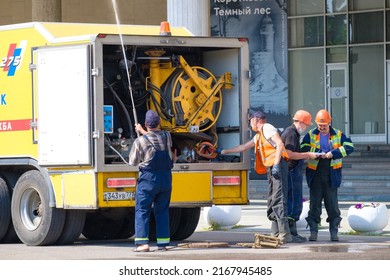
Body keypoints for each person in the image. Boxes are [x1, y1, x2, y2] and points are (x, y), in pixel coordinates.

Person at [221, 111, 299, 243]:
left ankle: (284, 234)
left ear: (256, 120)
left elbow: (280, 144)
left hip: (277, 166)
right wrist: (224, 151)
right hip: (273, 167)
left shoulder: (267, 128)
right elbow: (244, 146)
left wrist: (275, 165)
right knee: (273, 199)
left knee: (278, 198)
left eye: (251, 120)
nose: (250, 123)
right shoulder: (259, 135)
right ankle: (275, 232)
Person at [300, 109, 354, 241]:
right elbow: (303, 147)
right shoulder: (311, 134)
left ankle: (334, 232)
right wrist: (318, 153)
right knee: (314, 204)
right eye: (320, 125)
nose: (322, 128)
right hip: (315, 173)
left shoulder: (338, 134)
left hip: (332, 173)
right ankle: (313, 231)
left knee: (332, 205)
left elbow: (349, 146)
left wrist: (334, 153)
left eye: (324, 125)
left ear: (329, 123)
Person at [129, 110, 174, 252]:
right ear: (159, 123)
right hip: (166, 179)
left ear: (146, 124)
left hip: (148, 180)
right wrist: (143, 131)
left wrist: (140, 132)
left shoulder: (140, 141)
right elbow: (157, 138)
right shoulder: (167, 136)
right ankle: (163, 244)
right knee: (162, 211)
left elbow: (133, 162)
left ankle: (143, 244)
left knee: (142, 210)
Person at [281, 110, 319, 242]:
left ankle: (292, 233)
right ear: (301, 122)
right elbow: (289, 154)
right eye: (306, 124)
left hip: (292, 170)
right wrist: (307, 155)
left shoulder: (292, 132)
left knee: (294, 200)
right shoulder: (291, 133)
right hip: (291, 170)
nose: (307, 127)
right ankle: (291, 234)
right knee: (293, 202)